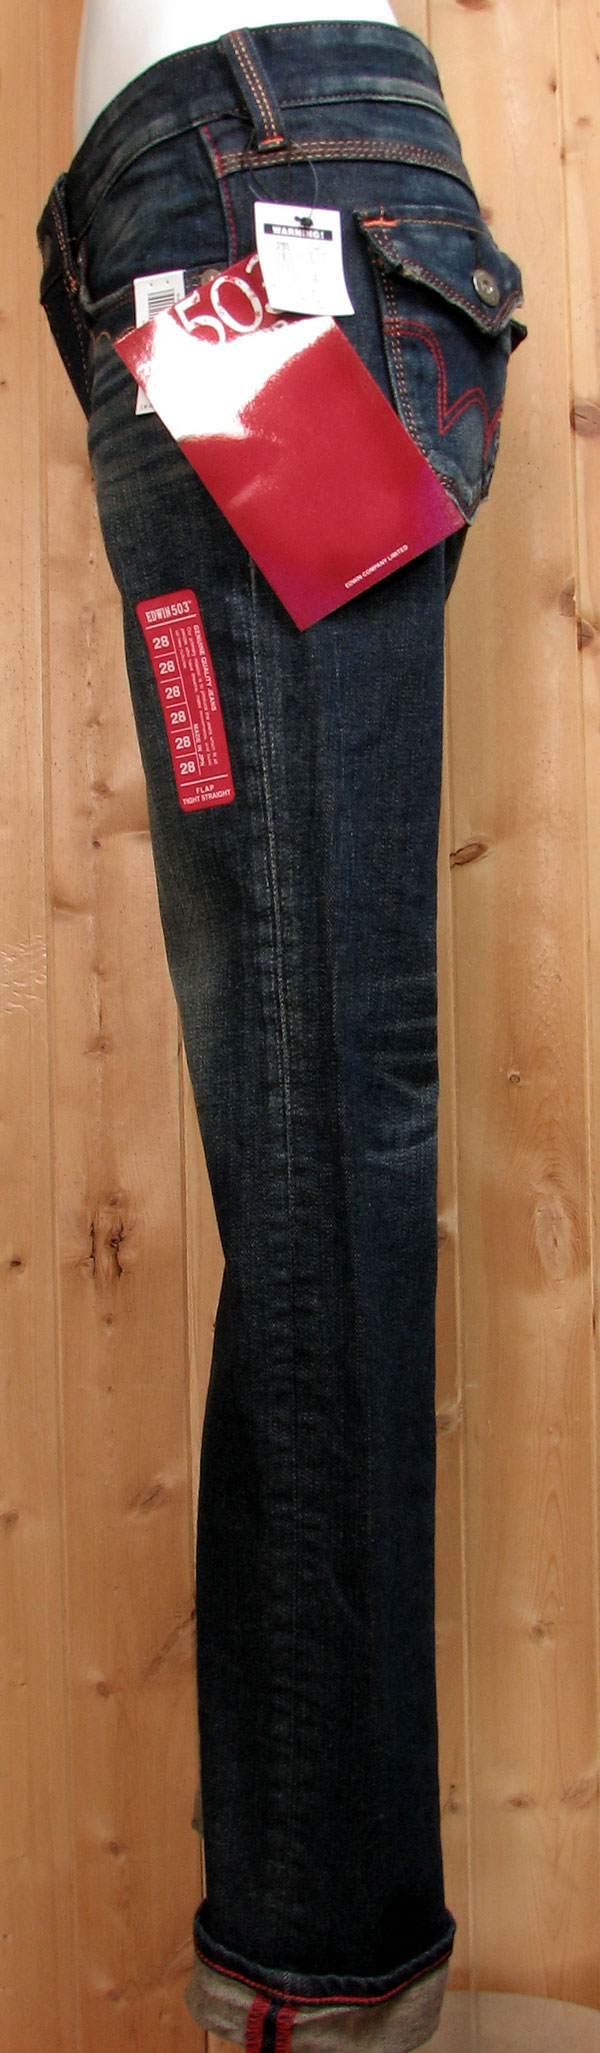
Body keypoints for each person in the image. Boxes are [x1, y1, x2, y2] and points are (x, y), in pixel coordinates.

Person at [37, 8, 526, 2049]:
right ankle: (324, 1967)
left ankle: (324, 1989)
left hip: (258, 208)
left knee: (314, 1131)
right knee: (300, 1116)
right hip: (215, 212)